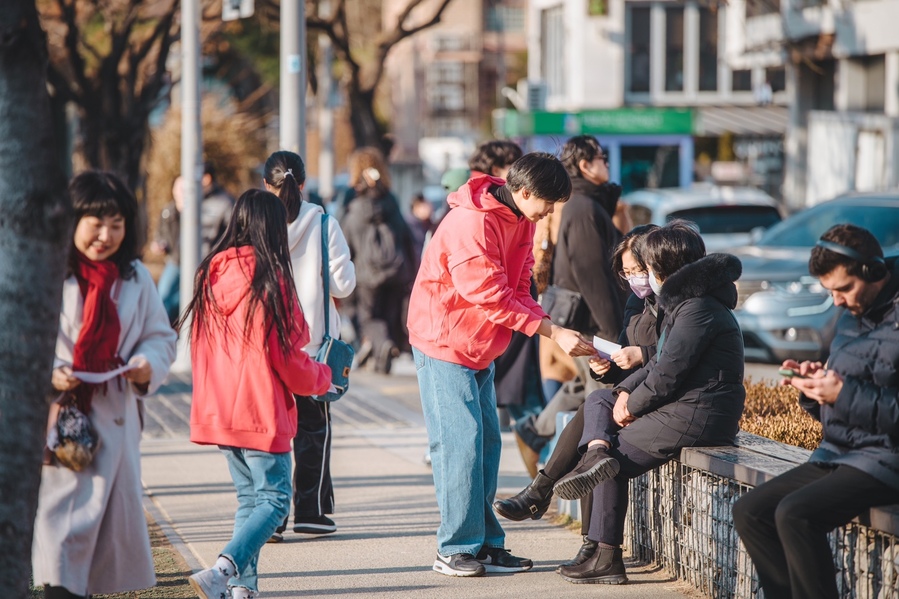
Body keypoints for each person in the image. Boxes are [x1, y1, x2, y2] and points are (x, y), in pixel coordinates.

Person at [407, 151, 596, 577]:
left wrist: (551, 326)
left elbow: (522, 284)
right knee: (459, 443)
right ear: (523, 191)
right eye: (546, 203)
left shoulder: (521, 219)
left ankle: (488, 543)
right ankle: (454, 547)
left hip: (481, 344)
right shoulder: (471, 222)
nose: (548, 213)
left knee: (487, 444)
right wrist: (552, 333)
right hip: (444, 340)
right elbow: (489, 295)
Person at [551, 221, 745, 584]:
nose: (645, 279)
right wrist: (624, 394)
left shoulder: (697, 309)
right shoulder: (685, 304)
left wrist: (632, 405)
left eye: (649, 270)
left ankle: (605, 555)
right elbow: (657, 363)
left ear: (669, 270)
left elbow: (668, 372)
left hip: (702, 411)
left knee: (611, 459)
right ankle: (600, 546)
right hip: (687, 406)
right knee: (600, 413)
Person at [733, 224, 899, 599]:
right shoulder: (849, 316)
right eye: (830, 292)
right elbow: (839, 396)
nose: (837, 301)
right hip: (842, 453)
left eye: (843, 289)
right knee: (751, 511)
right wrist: (814, 390)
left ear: (874, 271)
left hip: (886, 458)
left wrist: (842, 393)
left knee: (795, 514)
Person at [33, 171, 178, 599]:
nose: (106, 234)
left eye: (116, 224)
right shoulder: (45, 273)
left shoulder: (134, 278)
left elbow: (160, 336)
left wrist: (146, 364)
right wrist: (52, 371)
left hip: (114, 425)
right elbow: (18, 337)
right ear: (72, 220)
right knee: (59, 546)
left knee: (93, 553)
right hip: (57, 424)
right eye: (95, 223)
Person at [184, 189, 333, 599]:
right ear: (273, 228)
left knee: (250, 501)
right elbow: (289, 359)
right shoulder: (271, 278)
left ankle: (241, 588)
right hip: (259, 407)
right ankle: (224, 567)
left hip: (219, 408)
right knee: (275, 502)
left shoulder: (210, 271)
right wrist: (324, 378)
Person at [494, 224, 662, 569]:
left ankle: (543, 496)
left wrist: (641, 355)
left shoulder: (676, 303)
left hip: (658, 397)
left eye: (639, 271)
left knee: (598, 430)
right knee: (596, 435)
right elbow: (625, 354)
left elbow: (676, 354)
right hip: (635, 390)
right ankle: (588, 544)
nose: (634, 280)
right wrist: (607, 367)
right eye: (627, 273)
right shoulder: (635, 300)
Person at [262, 150, 356, 541]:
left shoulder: (258, 225)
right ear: (303, 183)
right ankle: (310, 511)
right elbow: (344, 285)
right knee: (314, 428)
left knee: (273, 431)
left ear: (267, 185)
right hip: (313, 347)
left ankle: (272, 517)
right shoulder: (325, 223)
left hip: (268, 342)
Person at [512, 135, 626, 458]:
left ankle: (535, 431)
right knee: (602, 393)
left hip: (581, 316)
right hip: (589, 319)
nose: (607, 163)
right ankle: (590, 465)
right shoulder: (583, 208)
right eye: (602, 158)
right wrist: (613, 336)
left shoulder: (591, 203)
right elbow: (594, 278)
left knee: (582, 384)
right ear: (585, 165)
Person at [340, 147, 417, 374]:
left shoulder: (351, 198)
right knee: (388, 315)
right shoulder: (390, 199)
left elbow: (344, 237)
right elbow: (405, 235)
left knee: (368, 318)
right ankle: (384, 358)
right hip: (395, 269)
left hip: (366, 272)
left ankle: (383, 345)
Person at [151, 175, 183, 323]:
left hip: (197, 262)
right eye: (178, 188)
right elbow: (160, 234)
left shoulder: (199, 212)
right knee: (163, 295)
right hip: (174, 262)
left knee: (185, 296)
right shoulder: (167, 211)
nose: (181, 192)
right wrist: (159, 244)